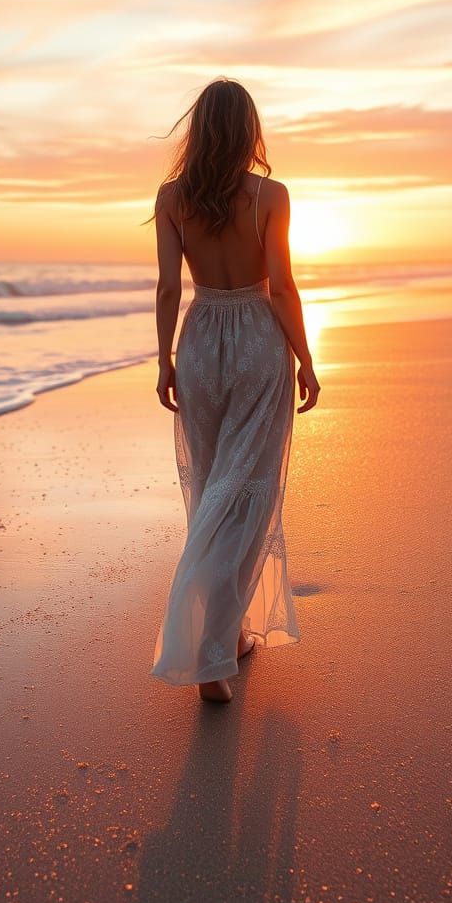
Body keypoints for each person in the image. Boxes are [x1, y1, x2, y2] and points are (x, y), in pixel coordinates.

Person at [149, 78, 321, 703]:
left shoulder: (173, 197)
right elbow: (282, 285)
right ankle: (214, 647)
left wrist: (165, 359)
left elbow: (170, 287)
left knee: (210, 484)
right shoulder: (270, 195)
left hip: (199, 342)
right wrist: (304, 357)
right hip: (255, 339)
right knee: (246, 492)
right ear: (248, 129)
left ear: (197, 129)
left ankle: (222, 637)